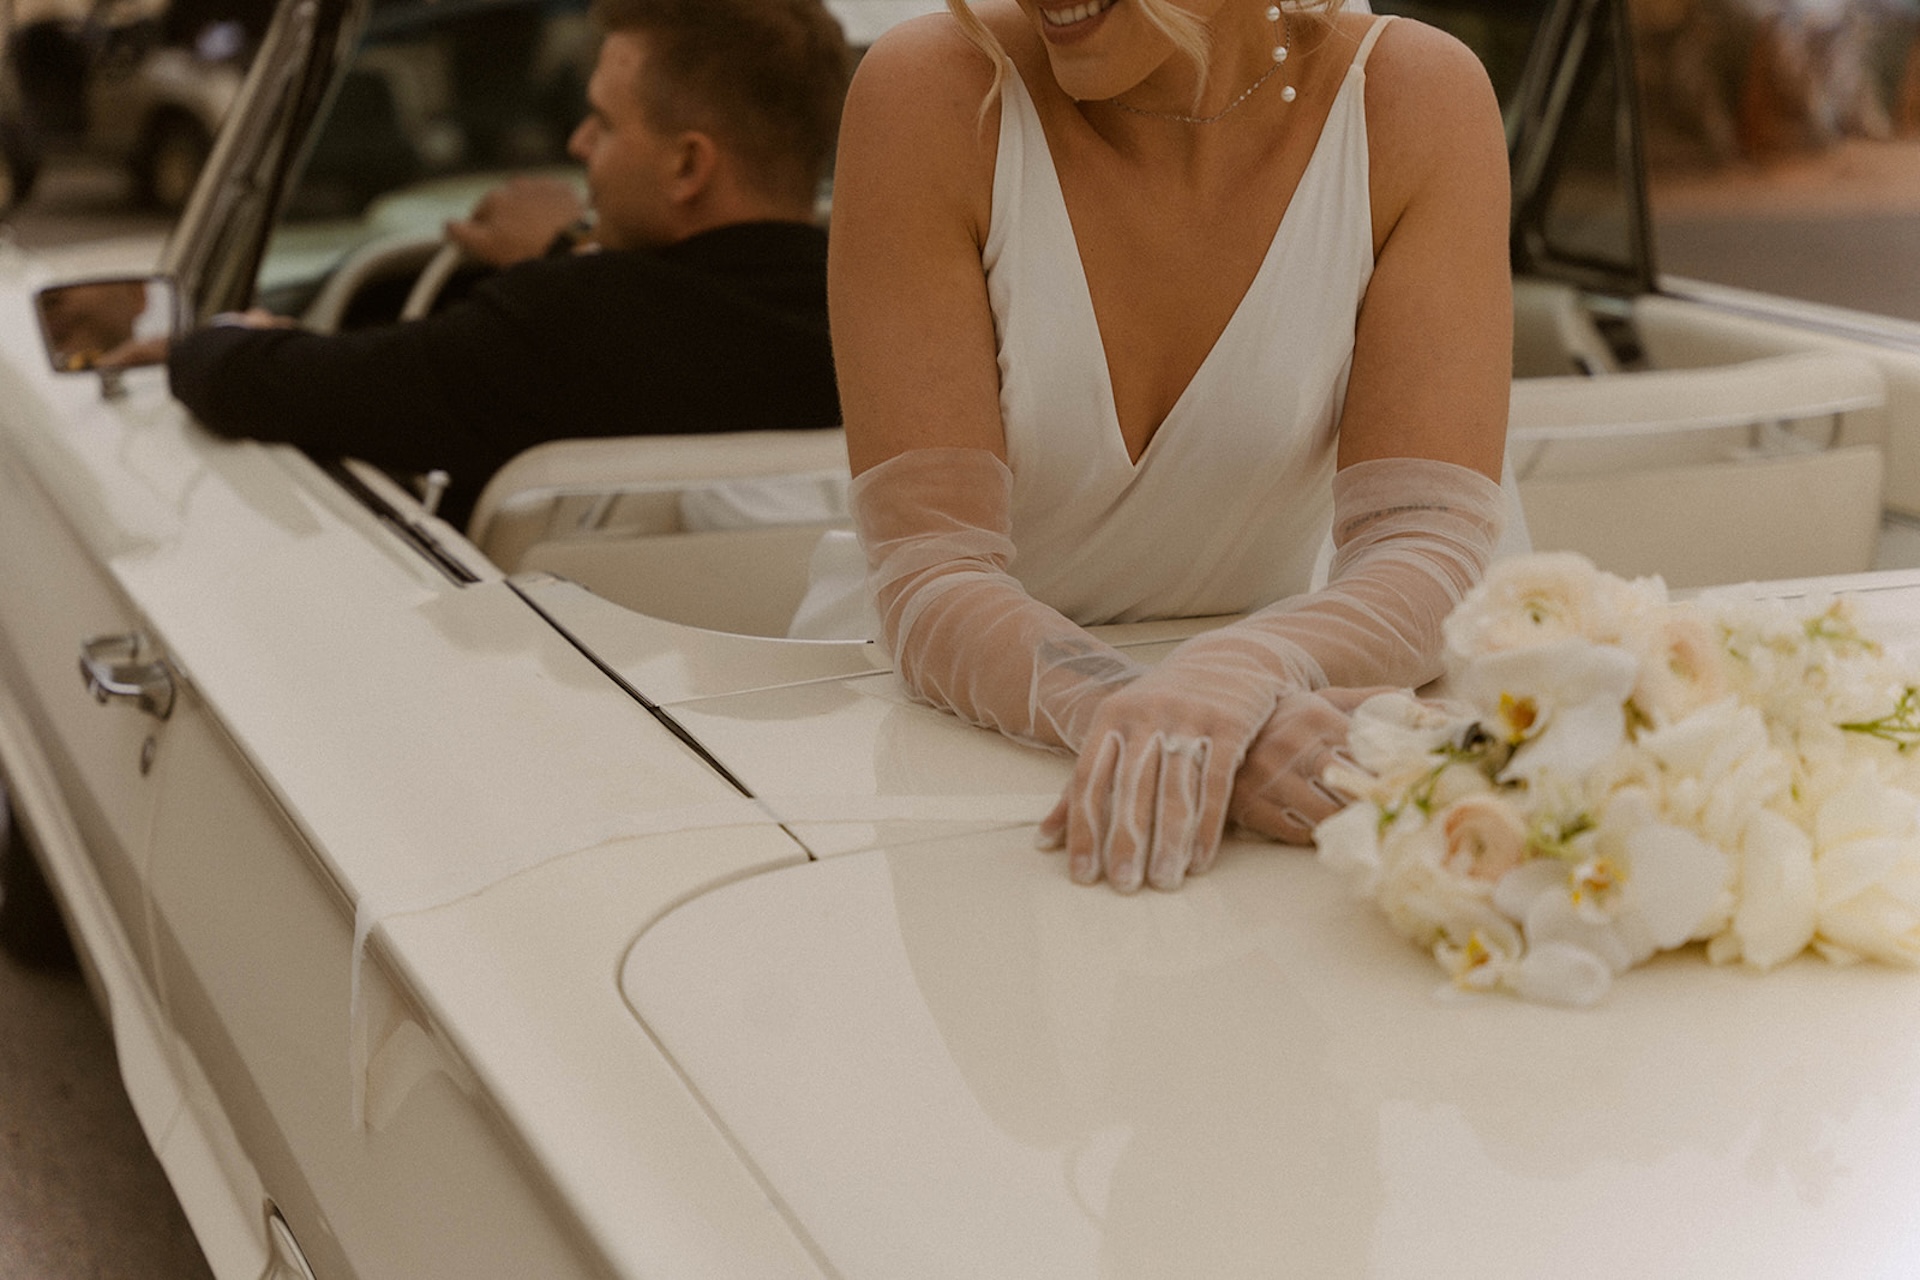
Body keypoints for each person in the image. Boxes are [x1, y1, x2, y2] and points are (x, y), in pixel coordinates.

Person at [829, 0, 1513, 892]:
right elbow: (930, 573)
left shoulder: (1415, 101)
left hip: (1276, 693)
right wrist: (1185, 717)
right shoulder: (933, 91)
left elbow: (1426, 542)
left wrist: (1245, 670)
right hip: (942, 725)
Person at [161, 0, 850, 530]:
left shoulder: (557, 328)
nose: (579, 143)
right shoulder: (882, 319)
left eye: (603, 123)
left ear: (688, 164)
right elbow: (711, 310)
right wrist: (567, 252)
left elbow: (264, 385)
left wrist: (219, 336)